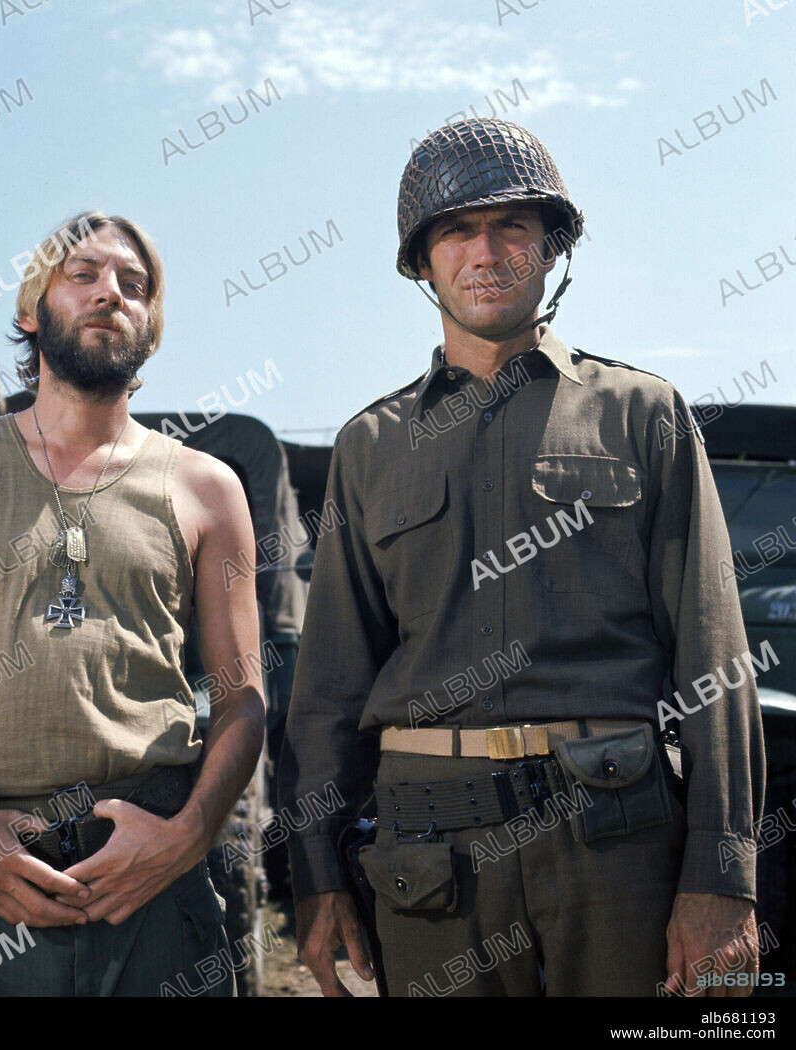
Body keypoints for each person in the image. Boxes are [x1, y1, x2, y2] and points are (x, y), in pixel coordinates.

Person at [279, 119, 766, 997]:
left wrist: (723, 875)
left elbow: (715, 657)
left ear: (552, 249)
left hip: (618, 846)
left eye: (513, 226)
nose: (487, 251)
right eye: (457, 231)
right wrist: (316, 878)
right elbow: (327, 692)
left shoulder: (643, 414)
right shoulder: (370, 447)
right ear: (423, 264)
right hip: (427, 863)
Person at [0, 210, 265, 997]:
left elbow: (243, 700)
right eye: (83, 275)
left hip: (154, 894)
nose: (111, 292)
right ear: (29, 311)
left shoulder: (208, 487)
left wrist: (186, 839)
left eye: (134, 284)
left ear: (152, 326)